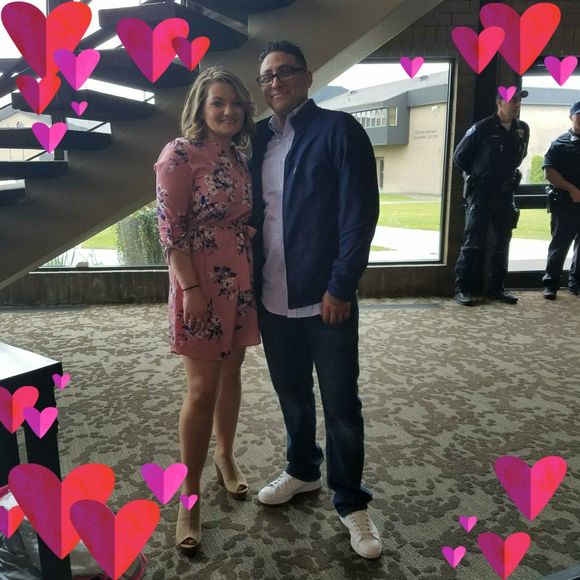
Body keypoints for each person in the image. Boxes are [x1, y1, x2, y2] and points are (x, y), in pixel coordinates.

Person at [250, 41, 381, 559]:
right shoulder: (257, 139)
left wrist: (341, 285)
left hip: (326, 299)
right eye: (266, 76)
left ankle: (351, 500)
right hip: (272, 297)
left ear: (307, 77)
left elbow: (359, 215)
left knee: (342, 405)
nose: (275, 82)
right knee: (292, 393)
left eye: (285, 72)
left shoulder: (339, 130)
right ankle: (303, 469)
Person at [155, 66, 259, 555]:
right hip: (198, 279)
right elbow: (170, 230)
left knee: (232, 372)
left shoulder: (240, 157)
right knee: (201, 389)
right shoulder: (178, 153)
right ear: (200, 106)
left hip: (239, 275)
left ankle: (225, 455)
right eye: (218, 102)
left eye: (235, 103)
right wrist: (191, 289)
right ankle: (189, 496)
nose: (228, 111)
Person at [453, 89, 530, 306]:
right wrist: (475, 176)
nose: (517, 105)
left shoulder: (522, 129)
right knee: (472, 243)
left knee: (502, 243)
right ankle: (461, 288)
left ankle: (497, 288)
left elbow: (520, 155)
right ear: (500, 103)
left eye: (519, 101)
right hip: (482, 193)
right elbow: (459, 157)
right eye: (512, 100)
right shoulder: (482, 128)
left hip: (506, 193)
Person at [541, 100, 580, 300]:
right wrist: (571, 189)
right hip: (566, 203)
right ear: (571, 117)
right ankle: (551, 284)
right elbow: (548, 172)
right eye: (579, 114)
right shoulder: (560, 143)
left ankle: (576, 284)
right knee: (560, 245)